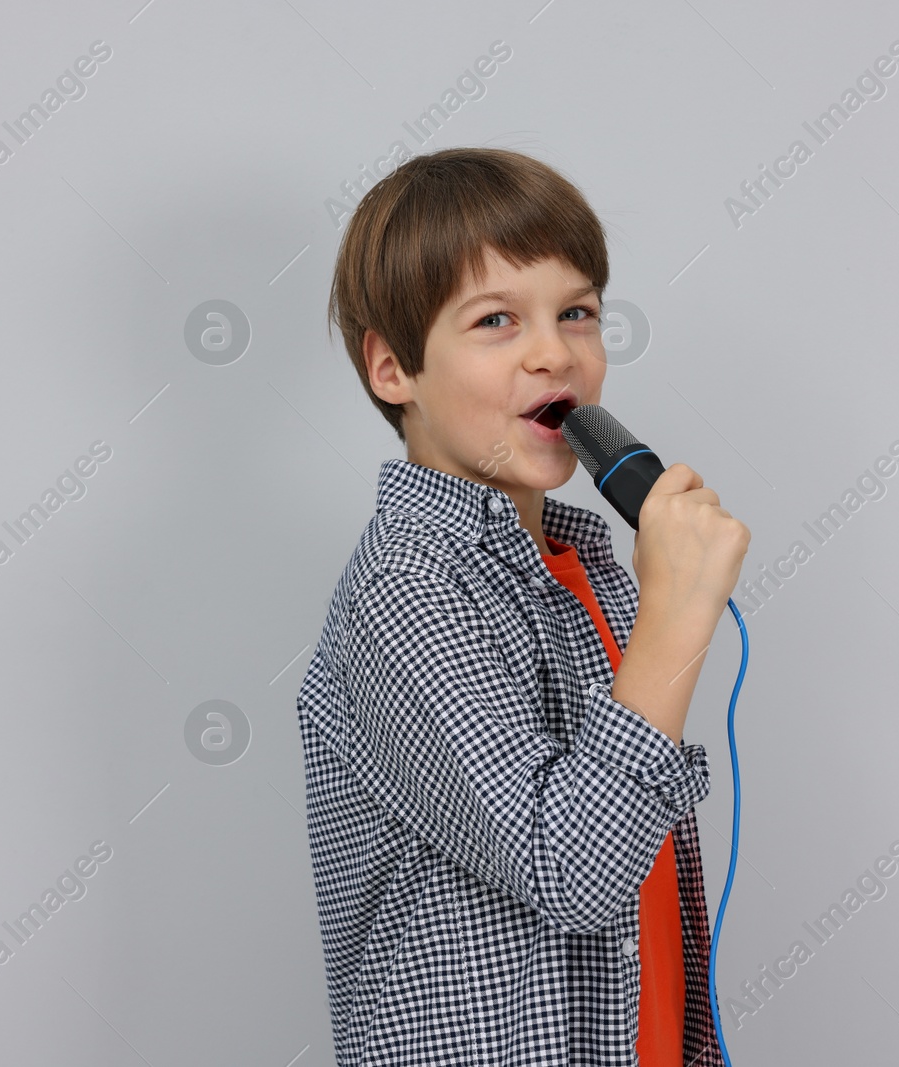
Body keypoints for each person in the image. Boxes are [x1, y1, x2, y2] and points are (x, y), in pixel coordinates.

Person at [297, 146, 751, 1066]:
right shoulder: (408, 593)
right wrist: (676, 621)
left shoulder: (582, 561)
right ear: (394, 369)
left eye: (577, 312)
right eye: (496, 320)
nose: (556, 352)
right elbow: (576, 870)